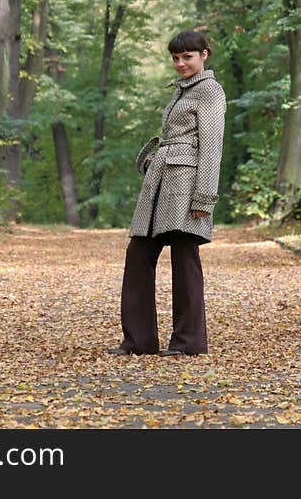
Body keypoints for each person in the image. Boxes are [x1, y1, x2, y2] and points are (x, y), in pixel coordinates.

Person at [108, 30, 227, 357]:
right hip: (163, 184)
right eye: (175, 58)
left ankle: (188, 343)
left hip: (187, 188)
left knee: (184, 258)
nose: (180, 63)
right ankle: (139, 341)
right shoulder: (183, 90)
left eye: (187, 57)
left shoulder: (210, 91)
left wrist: (204, 198)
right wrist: (154, 161)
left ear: (205, 54)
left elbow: (211, 148)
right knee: (138, 254)